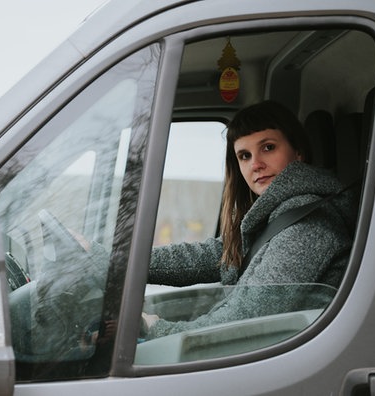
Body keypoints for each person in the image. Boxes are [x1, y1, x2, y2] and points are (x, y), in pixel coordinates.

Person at [143, 100, 357, 339]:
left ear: (298, 152)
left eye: (268, 148)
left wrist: (160, 330)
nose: (255, 165)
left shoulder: (308, 225)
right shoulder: (274, 216)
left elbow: (247, 316)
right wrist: (121, 264)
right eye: (244, 156)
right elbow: (210, 255)